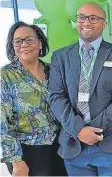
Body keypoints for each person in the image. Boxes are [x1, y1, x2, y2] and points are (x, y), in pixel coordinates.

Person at [48, 2, 112, 176]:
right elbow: (56, 96)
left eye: (93, 18)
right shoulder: (60, 57)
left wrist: (93, 130)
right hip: (74, 143)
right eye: (81, 17)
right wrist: (79, 130)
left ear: (104, 23)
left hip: (111, 142)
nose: (86, 22)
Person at [1, 22, 67, 176]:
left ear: (40, 42)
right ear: (12, 46)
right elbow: (2, 123)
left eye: (29, 39)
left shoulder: (54, 71)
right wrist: (16, 161)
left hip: (60, 147)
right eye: (18, 41)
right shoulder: (5, 76)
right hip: (27, 151)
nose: (24, 44)